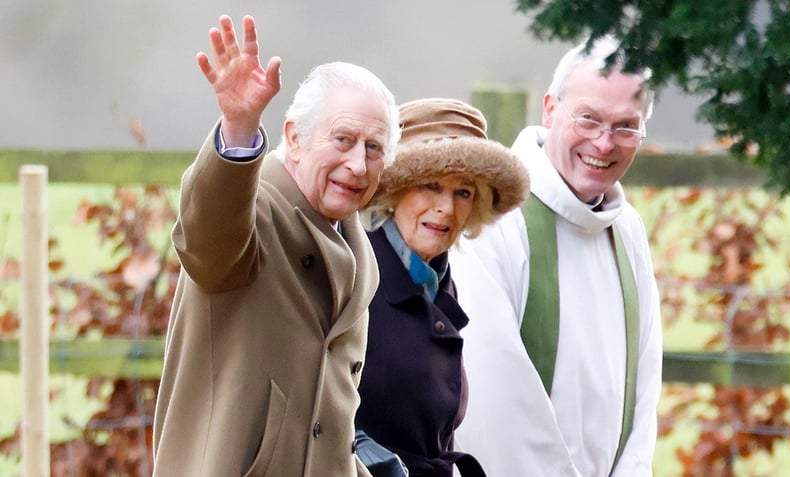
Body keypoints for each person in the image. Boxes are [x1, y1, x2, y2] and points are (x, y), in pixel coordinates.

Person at [152, 14, 401, 477]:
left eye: (374, 148)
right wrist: (239, 129)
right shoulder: (254, 212)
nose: (358, 164)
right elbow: (206, 240)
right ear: (294, 138)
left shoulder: (356, 247)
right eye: (343, 139)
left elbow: (326, 419)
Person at [449, 36, 664, 477]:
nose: (604, 144)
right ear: (550, 109)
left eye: (625, 126)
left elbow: (645, 386)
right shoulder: (494, 218)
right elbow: (492, 393)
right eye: (588, 119)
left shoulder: (628, 231)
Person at [355, 98, 530, 477]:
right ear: (394, 190)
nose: (446, 209)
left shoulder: (437, 279)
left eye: (463, 192)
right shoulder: (354, 272)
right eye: (430, 186)